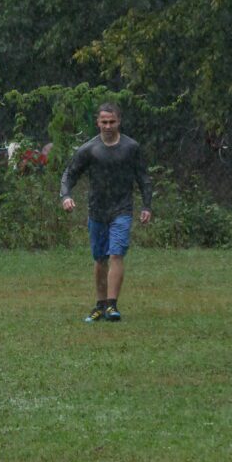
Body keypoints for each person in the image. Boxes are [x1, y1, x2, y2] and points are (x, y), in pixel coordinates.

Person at [60, 103, 152, 322]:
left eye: (112, 122)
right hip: (97, 211)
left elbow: (144, 178)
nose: (108, 126)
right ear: (98, 123)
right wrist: (66, 196)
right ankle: (100, 305)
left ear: (119, 122)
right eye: (104, 122)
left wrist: (147, 206)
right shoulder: (89, 149)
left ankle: (112, 305)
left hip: (122, 209)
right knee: (100, 258)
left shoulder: (131, 147)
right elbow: (69, 174)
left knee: (116, 254)